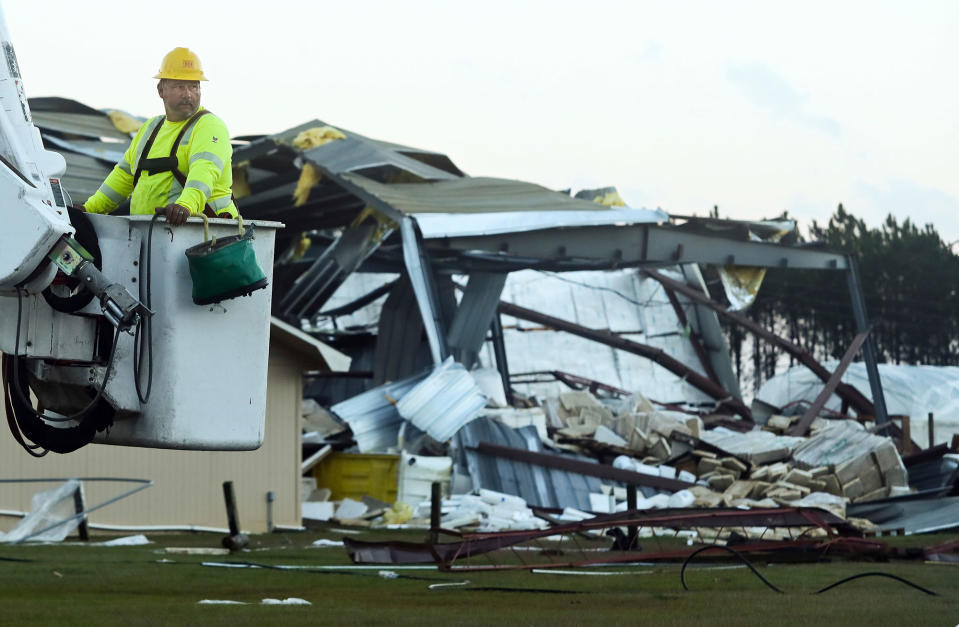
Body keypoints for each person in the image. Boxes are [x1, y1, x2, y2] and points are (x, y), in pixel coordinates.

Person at [82, 47, 238, 226]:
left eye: (194, 86)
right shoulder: (150, 128)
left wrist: (185, 205)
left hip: (204, 234)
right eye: (180, 86)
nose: (188, 94)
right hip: (151, 233)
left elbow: (205, 170)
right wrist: (88, 209)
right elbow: (124, 176)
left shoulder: (209, 126)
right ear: (161, 90)